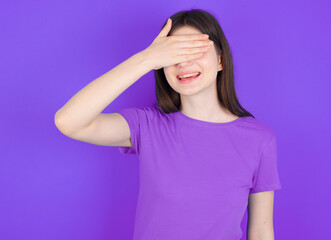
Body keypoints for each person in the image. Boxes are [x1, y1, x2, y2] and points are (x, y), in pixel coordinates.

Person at [54, 9, 282, 240]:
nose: (184, 63)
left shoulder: (259, 139)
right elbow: (69, 122)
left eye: (194, 50)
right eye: (173, 55)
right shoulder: (147, 125)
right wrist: (146, 59)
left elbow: (261, 232)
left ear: (221, 60)